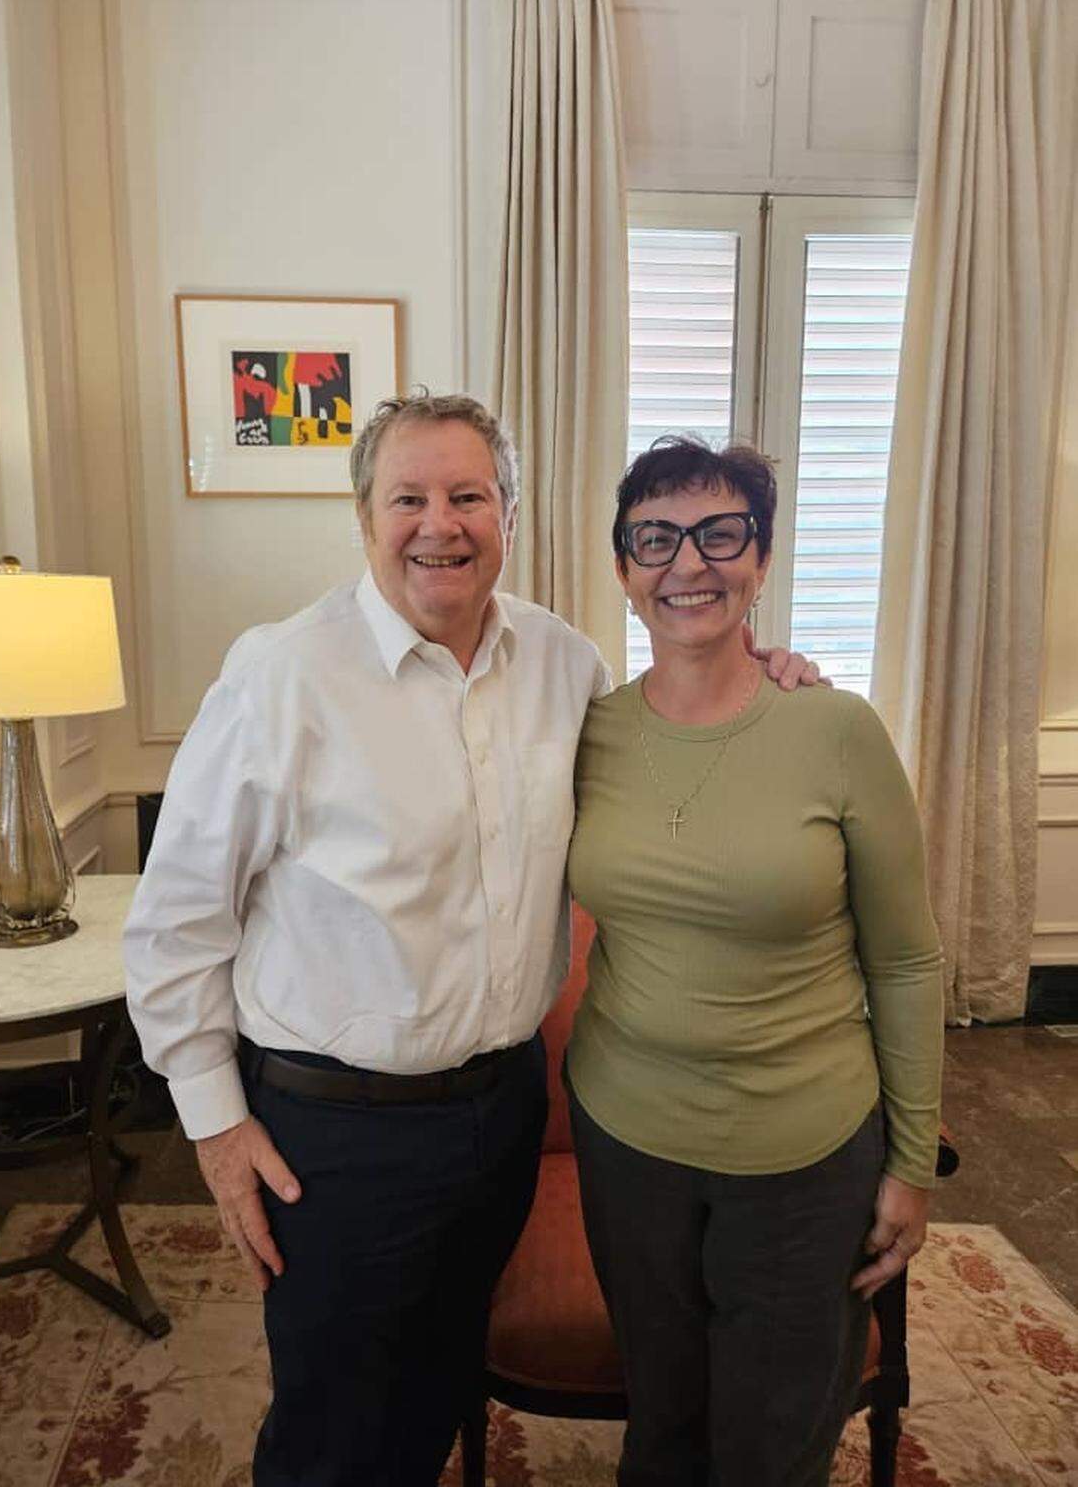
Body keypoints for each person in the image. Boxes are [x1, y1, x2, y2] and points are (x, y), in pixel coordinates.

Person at [123, 394, 816, 1487]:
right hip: (333, 1138)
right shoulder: (281, 674)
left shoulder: (563, 663)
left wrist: (772, 682)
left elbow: (675, 744)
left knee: (438, 1393)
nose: (438, 523)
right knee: (331, 1429)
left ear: (509, 512)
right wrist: (215, 1128)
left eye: (467, 495)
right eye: (409, 497)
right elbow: (174, 924)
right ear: (365, 516)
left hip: (499, 1113)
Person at [564, 435, 944, 1487]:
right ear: (625, 571)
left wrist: (911, 1164)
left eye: (719, 532)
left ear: (762, 559)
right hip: (626, 1139)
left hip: (803, 1153)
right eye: (657, 538)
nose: (689, 561)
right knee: (663, 1417)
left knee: (773, 1441)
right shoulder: (583, 732)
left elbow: (907, 961)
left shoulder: (834, 728)